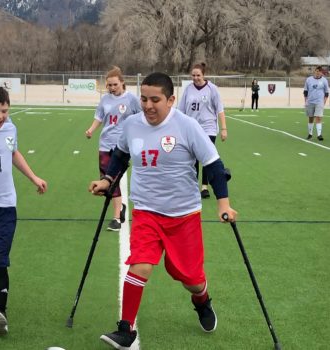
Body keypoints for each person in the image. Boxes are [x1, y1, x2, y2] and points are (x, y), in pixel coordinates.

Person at [89, 72, 237, 349]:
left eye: (155, 99)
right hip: (146, 211)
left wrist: (223, 204)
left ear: (170, 100)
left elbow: (214, 166)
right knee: (140, 264)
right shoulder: (132, 125)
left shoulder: (187, 126)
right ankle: (125, 329)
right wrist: (107, 180)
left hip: (184, 216)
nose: (147, 105)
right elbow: (120, 155)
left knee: (191, 279)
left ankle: (202, 301)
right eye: (143, 99)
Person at [0, 86, 47, 335]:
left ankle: (1, 314)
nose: (1, 117)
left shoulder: (10, 127)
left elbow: (13, 152)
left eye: (5, 111)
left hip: (4, 208)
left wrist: (33, 177)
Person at [85, 66, 142, 231]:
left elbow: (141, 116)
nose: (111, 88)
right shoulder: (105, 99)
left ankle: (117, 218)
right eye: (109, 85)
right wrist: (91, 130)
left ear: (122, 83)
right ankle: (120, 209)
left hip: (123, 147)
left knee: (113, 181)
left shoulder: (132, 99)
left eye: (114, 84)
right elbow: (99, 117)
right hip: (105, 144)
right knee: (107, 183)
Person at [178, 62, 228, 199]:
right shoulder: (188, 89)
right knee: (192, 159)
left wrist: (224, 128)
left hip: (208, 128)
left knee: (206, 156)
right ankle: (193, 186)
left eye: (198, 75)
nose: (195, 78)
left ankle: (204, 187)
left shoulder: (212, 89)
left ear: (203, 75)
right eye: (193, 75)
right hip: (191, 128)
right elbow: (181, 110)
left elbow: (220, 109)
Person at [303, 66, 329, 141]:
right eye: (317, 71)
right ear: (315, 71)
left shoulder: (324, 80)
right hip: (310, 102)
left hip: (319, 102)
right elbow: (305, 91)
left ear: (321, 73)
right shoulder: (309, 79)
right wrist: (306, 101)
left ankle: (319, 135)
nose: (318, 73)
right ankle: (310, 134)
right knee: (311, 118)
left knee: (318, 117)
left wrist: (324, 102)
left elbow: (327, 92)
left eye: (319, 71)